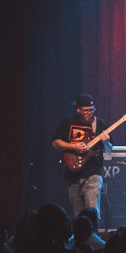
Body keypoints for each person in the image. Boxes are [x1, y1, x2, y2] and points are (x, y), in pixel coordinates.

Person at [52, 93, 111, 222]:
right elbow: (56, 142)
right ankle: (81, 235)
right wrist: (73, 147)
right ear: (78, 110)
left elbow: (108, 150)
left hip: (94, 171)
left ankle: (93, 234)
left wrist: (106, 141)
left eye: (91, 110)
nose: (89, 113)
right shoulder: (68, 122)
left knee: (92, 209)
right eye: (85, 111)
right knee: (78, 212)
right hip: (73, 171)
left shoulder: (100, 124)